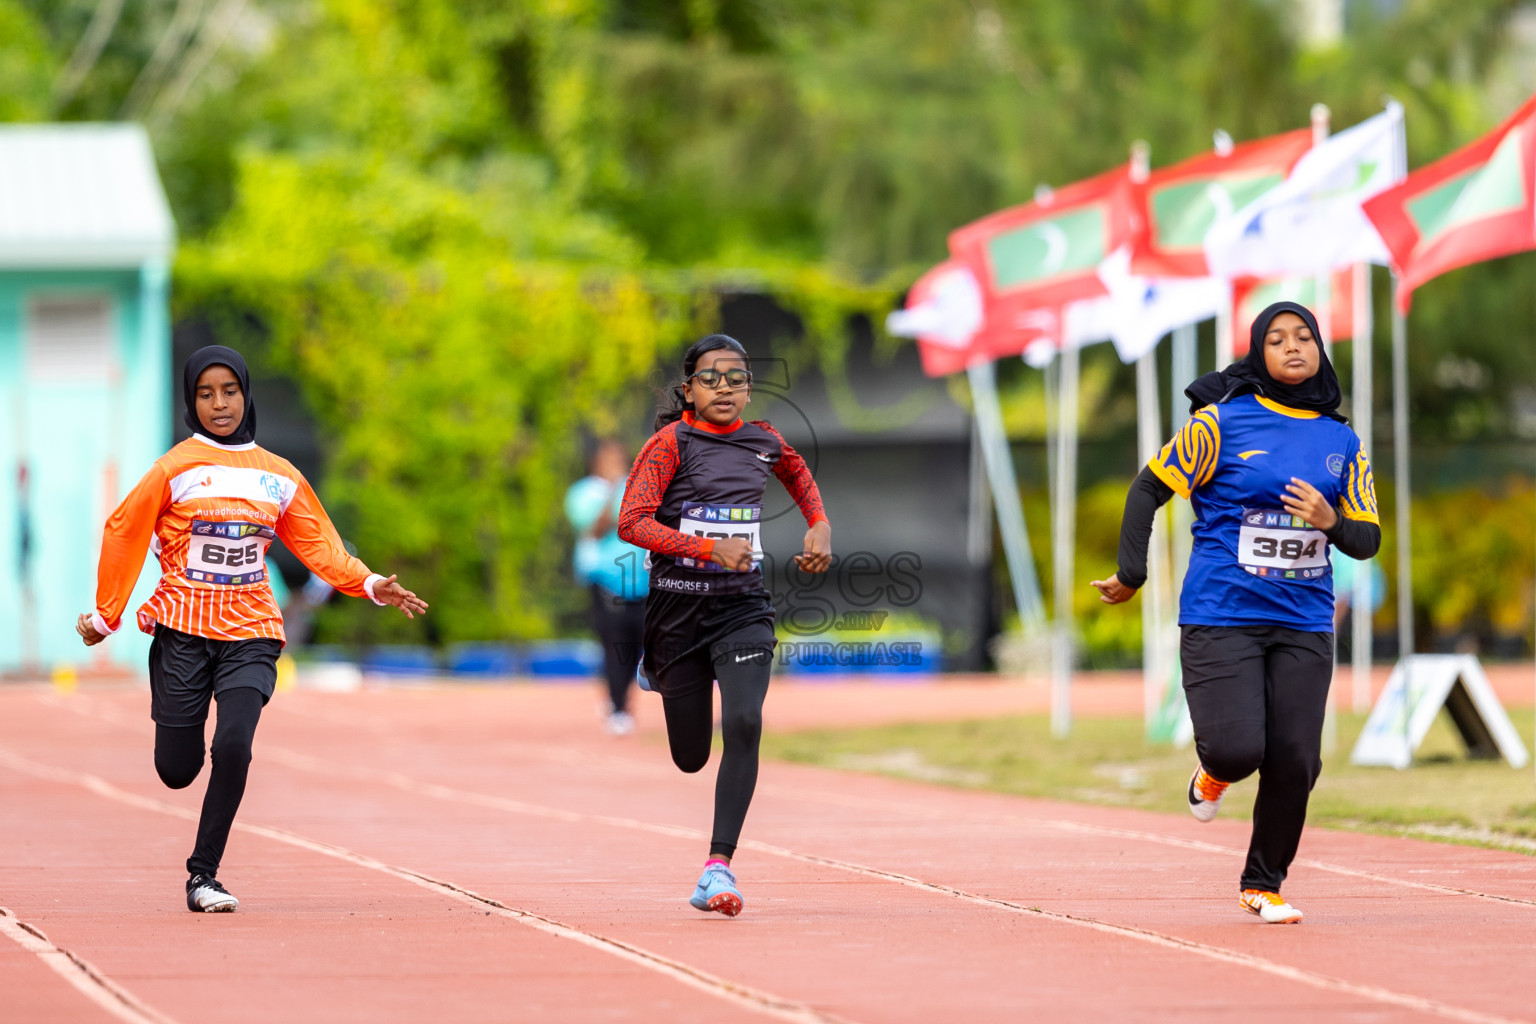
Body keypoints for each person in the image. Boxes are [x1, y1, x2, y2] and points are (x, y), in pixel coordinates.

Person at [76, 346, 427, 913]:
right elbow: (125, 529)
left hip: (252, 629)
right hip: (183, 630)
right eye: (206, 393)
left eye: (230, 391)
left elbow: (319, 542)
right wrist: (105, 614)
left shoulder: (279, 477)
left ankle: (203, 874)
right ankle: (180, 749)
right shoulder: (175, 468)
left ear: (246, 393)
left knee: (234, 744)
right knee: (176, 770)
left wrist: (365, 582)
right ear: (192, 401)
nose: (220, 404)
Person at [1090, 302, 1379, 925]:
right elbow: (1149, 487)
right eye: (1277, 340)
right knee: (1237, 747)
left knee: (1298, 758)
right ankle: (1214, 774)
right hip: (1222, 610)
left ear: (1320, 351)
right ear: (1258, 354)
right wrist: (1132, 574)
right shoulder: (1220, 423)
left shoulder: (1342, 440)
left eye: (1305, 337)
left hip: (1304, 617)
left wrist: (1331, 522)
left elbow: (1367, 538)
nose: (1294, 347)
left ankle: (1263, 883)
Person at [617, 333, 831, 917]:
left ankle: (718, 868)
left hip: (743, 609)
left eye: (737, 378)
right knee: (690, 756)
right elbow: (631, 524)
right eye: (712, 378)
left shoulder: (764, 441)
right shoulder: (669, 444)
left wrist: (818, 522)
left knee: (743, 722)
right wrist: (710, 549)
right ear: (688, 389)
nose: (726, 388)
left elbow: (798, 471)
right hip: (677, 612)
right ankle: (656, 668)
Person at [565, 439, 649, 735]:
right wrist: (613, 490)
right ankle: (618, 707)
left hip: (640, 581)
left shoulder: (638, 485)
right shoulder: (584, 492)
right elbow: (595, 528)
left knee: (638, 644)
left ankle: (621, 698)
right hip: (604, 579)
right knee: (614, 644)